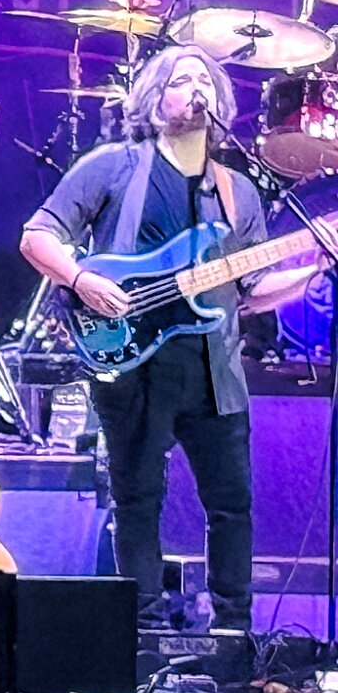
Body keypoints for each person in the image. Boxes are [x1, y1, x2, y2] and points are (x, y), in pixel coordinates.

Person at [20, 43, 325, 631]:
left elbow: (253, 290)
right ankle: (143, 627)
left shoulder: (237, 190)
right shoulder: (113, 165)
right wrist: (81, 279)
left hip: (216, 371)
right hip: (134, 362)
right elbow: (38, 236)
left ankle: (233, 631)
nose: (197, 90)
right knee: (138, 499)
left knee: (232, 506)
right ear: (155, 100)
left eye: (206, 82)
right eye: (183, 80)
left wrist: (312, 264)